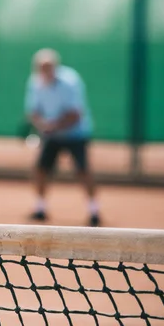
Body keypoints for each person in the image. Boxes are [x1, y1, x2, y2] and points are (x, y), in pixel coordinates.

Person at [25, 48, 99, 227]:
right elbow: (32, 111)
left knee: (83, 171)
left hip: (76, 134)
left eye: (48, 66)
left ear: (55, 66)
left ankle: (94, 211)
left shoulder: (71, 81)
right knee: (41, 170)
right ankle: (40, 209)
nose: (44, 70)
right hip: (52, 135)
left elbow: (75, 114)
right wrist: (42, 125)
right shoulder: (34, 82)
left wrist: (52, 126)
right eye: (41, 67)